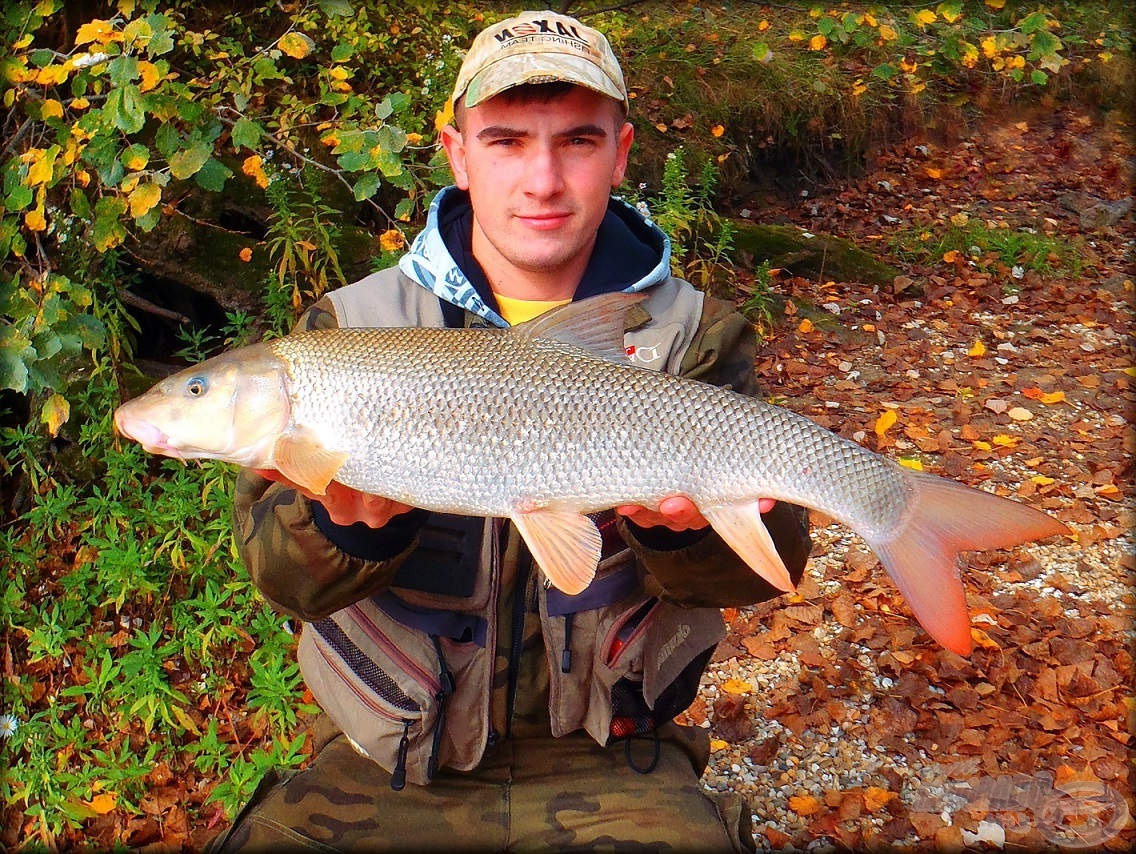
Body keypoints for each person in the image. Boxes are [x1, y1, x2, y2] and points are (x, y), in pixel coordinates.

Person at [207, 9, 811, 852]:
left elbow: (764, 568)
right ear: (456, 152)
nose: (542, 181)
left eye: (577, 142)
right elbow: (282, 581)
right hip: (389, 761)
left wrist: (676, 536)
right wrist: (348, 529)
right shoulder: (345, 330)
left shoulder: (693, 335)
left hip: (614, 763)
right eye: (505, 142)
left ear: (622, 152)